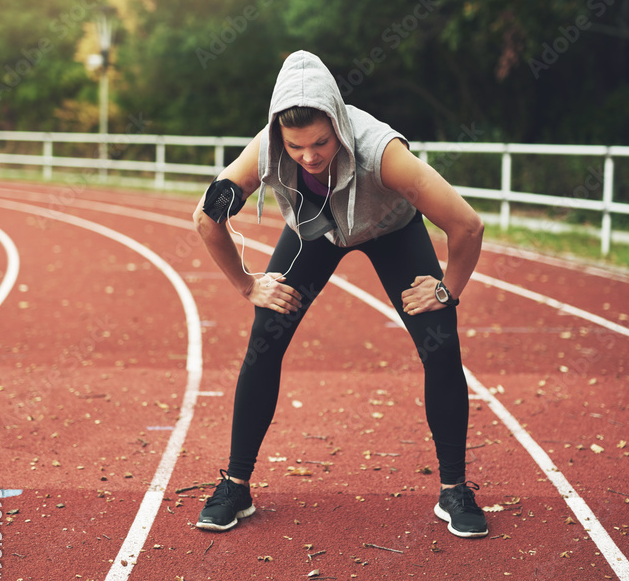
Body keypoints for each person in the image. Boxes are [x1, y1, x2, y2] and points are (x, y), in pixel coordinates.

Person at [192, 51, 488, 538]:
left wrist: (446, 290)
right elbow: (206, 218)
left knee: (441, 342)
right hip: (317, 232)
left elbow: (467, 225)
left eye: (321, 143)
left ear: (337, 122)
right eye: (296, 146)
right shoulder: (266, 149)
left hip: (392, 230)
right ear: (278, 135)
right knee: (265, 337)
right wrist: (248, 285)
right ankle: (236, 484)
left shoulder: (381, 153)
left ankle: (454, 489)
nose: (309, 156)